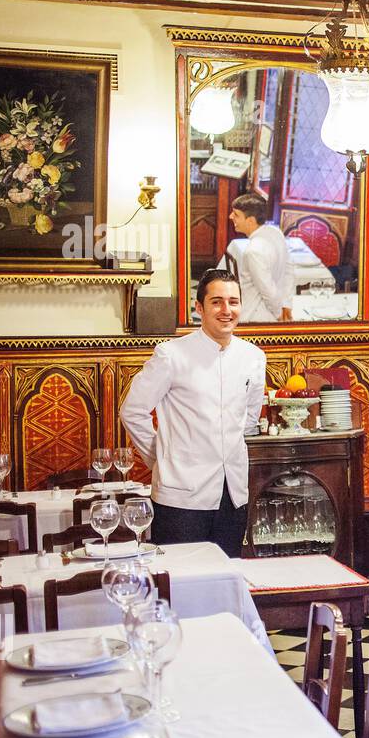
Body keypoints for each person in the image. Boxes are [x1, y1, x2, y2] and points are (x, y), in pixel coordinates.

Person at [121, 268, 266, 557]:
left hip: (233, 494)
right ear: (199, 307)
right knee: (179, 584)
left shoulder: (253, 357)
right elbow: (132, 411)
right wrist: (162, 459)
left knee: (226, 579)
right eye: (216, 302)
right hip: (180, 496)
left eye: (233, 302)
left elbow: (248, 420)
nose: (226, 310)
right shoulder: (171, 355)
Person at [228, 193, 294, 322]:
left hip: (255, 316)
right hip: (276, 307)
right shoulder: (275, 232)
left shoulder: (253, 251)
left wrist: (280, 318)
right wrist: (286, 304)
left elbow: (268, 291)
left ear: (251, 220)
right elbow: (289, 270)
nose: (231, 217)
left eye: (236, 214)